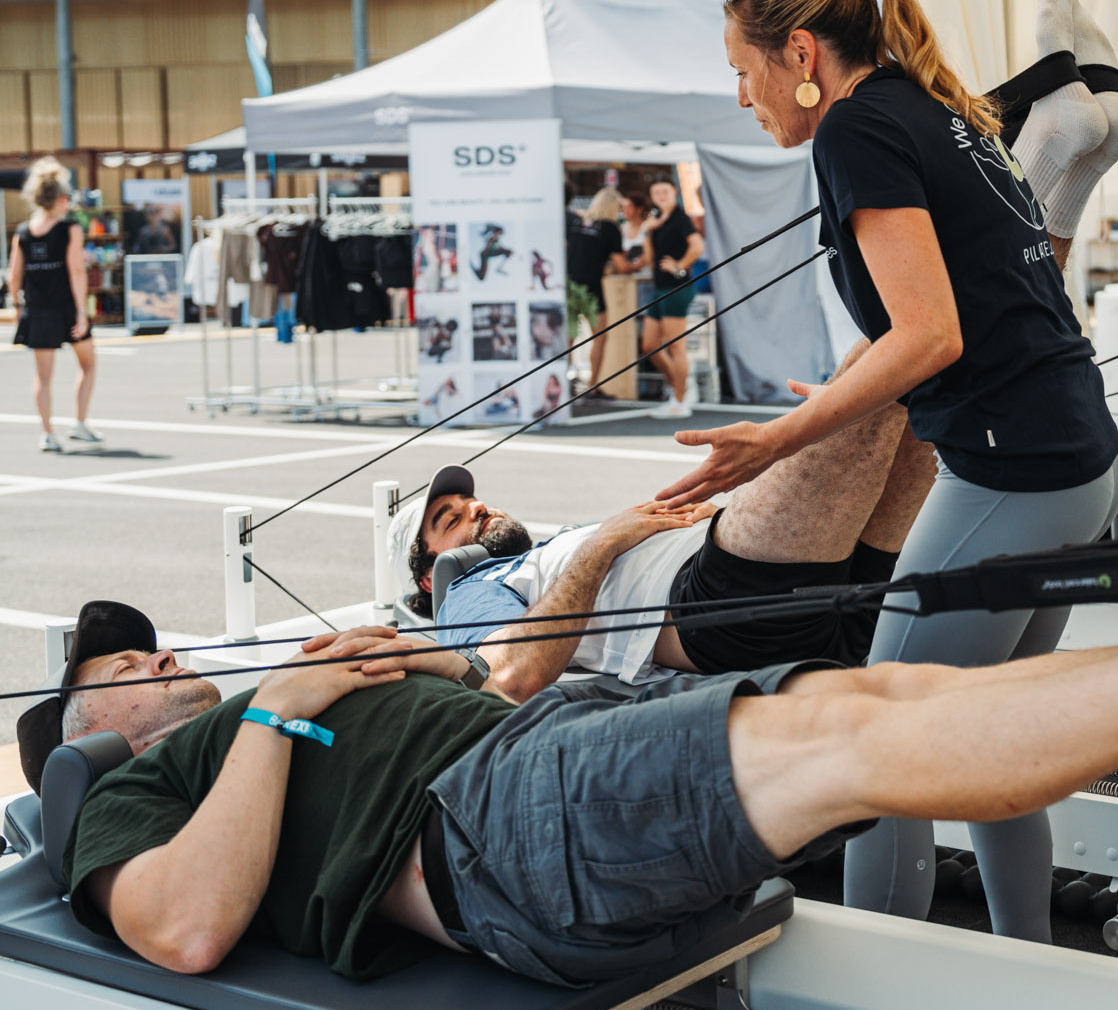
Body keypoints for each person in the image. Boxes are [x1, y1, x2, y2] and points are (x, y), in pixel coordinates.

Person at [37, 413, 1118, 1010]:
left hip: (549, 743)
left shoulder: (282, 700)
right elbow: (186, 927)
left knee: (878, 697)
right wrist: (276, 711)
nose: (158, 655)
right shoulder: (140, 792)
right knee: (849, 735)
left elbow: (498, 686)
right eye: (127, 669)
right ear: (91, 731)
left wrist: (421, 662)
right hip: (492, 834)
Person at [654, 0, 1118, 944]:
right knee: (991, 736)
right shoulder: (922, 103)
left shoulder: (856, 130)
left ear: (799, 55)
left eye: (742, 71)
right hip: (1076, 457)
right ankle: (1029, 963)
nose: (741, 97)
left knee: (881, 739)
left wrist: (774, 441)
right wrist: (833, 399)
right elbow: (973, 300)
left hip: (1013, 474)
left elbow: (929, 336)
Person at [392, 342, 936, 688]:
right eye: (450, 520)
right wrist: (602, 544)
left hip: (756, 573)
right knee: (887, 352)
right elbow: (510, 676)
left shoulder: (544, 555)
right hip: (720, 606)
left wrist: (714, 516)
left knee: (912, 388)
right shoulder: (468, 590)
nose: (476, 507)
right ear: (429, 575)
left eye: (470, 501)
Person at [6, 157, 102, 453]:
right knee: (88, 363)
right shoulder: (69, 228)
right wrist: (82, 312)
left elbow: (13, 276)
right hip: (66, 309)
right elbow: (76, 271)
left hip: (37, 310)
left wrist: (17, 307)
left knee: (43, 376)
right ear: (61, 200)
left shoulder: (23, 232)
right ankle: (80, 422)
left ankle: (47, 433)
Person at [639, 179, 703, 419]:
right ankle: (679, 387)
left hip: (677, 287)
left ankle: (680, 400)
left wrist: (680, 266)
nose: (661, 195)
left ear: (674, 192)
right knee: (649, 345)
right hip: (660, 287)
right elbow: (649, 258)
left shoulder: (679, 217)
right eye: (656, 192)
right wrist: (647, 231)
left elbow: (697, 245)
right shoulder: (658, 219)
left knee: (676, 346)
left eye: (664, 191)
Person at [566, 187, 636, 398]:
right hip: (591, 287)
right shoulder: (610, 228)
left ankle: (564, 384)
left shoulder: (577, 223)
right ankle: (592, 387)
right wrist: (641, 262)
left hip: (570, 285)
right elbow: (621, 266)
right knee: (599, 336)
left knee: (568, 338)